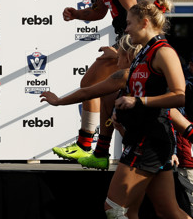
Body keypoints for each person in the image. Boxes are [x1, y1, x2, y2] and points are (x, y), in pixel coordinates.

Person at [54, 0, 146, 162]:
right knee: (106, 97)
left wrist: (123, 52)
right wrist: (77, 15)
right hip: (129, 38)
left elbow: (136, 14)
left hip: (134, 40)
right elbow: (99, 11)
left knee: (92, 81)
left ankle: (87, 145)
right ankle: (101, 152)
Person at [104, 0, 189, 218]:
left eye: (129, 23)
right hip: (143, 136)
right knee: (167, 211)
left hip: (149, 139)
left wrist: (138, 101)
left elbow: (179, 96)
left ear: (144, 22)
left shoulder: (164, 51)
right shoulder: (142, 51)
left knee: (114, 210)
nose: (126, 29)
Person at [40, 34, 141, 170]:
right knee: (109, 96)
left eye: (119, 56)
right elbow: (173, 113)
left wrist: (58, 101)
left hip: (146, 149)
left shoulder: (124, 75)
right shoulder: (144, 70)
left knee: (117, 191)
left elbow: (87, 92)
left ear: (128, 56)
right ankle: (99, 152)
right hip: (155, 145)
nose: (116, 62)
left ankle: (100, 150)